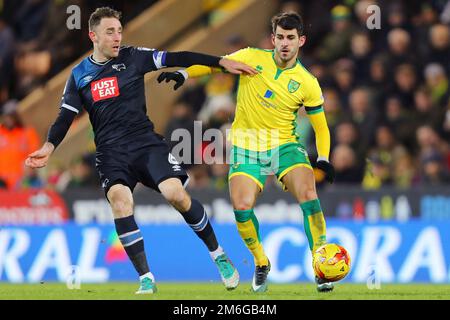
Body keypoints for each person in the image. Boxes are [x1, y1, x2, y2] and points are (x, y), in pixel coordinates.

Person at [25, 7, 257, 294]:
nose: (117, 37)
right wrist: (49, 146)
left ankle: (218, 254)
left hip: (145, 144)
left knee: (177, 195)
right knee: (120, 202)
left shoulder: (134, 57)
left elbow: (178, 57)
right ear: (93, 35)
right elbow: (64, 117)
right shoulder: (79, 75)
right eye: (110, 32)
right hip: (110, 154)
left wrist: (221, 62)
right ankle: (146, 278)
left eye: (119, 31)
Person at [158, 12, 336, 293]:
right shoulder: (252, 57)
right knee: (241, 207)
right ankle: (261, 261)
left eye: (291, 38)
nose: (285, 43)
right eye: (280, 37)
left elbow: (321, 128)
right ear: (273, 38)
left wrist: (324, 160)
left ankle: (320, 260)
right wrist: (184, 71)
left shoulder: (307, 82)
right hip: (246, 146)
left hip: (285, 145)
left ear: (301, 40)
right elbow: (216, 66)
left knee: (308, 193)